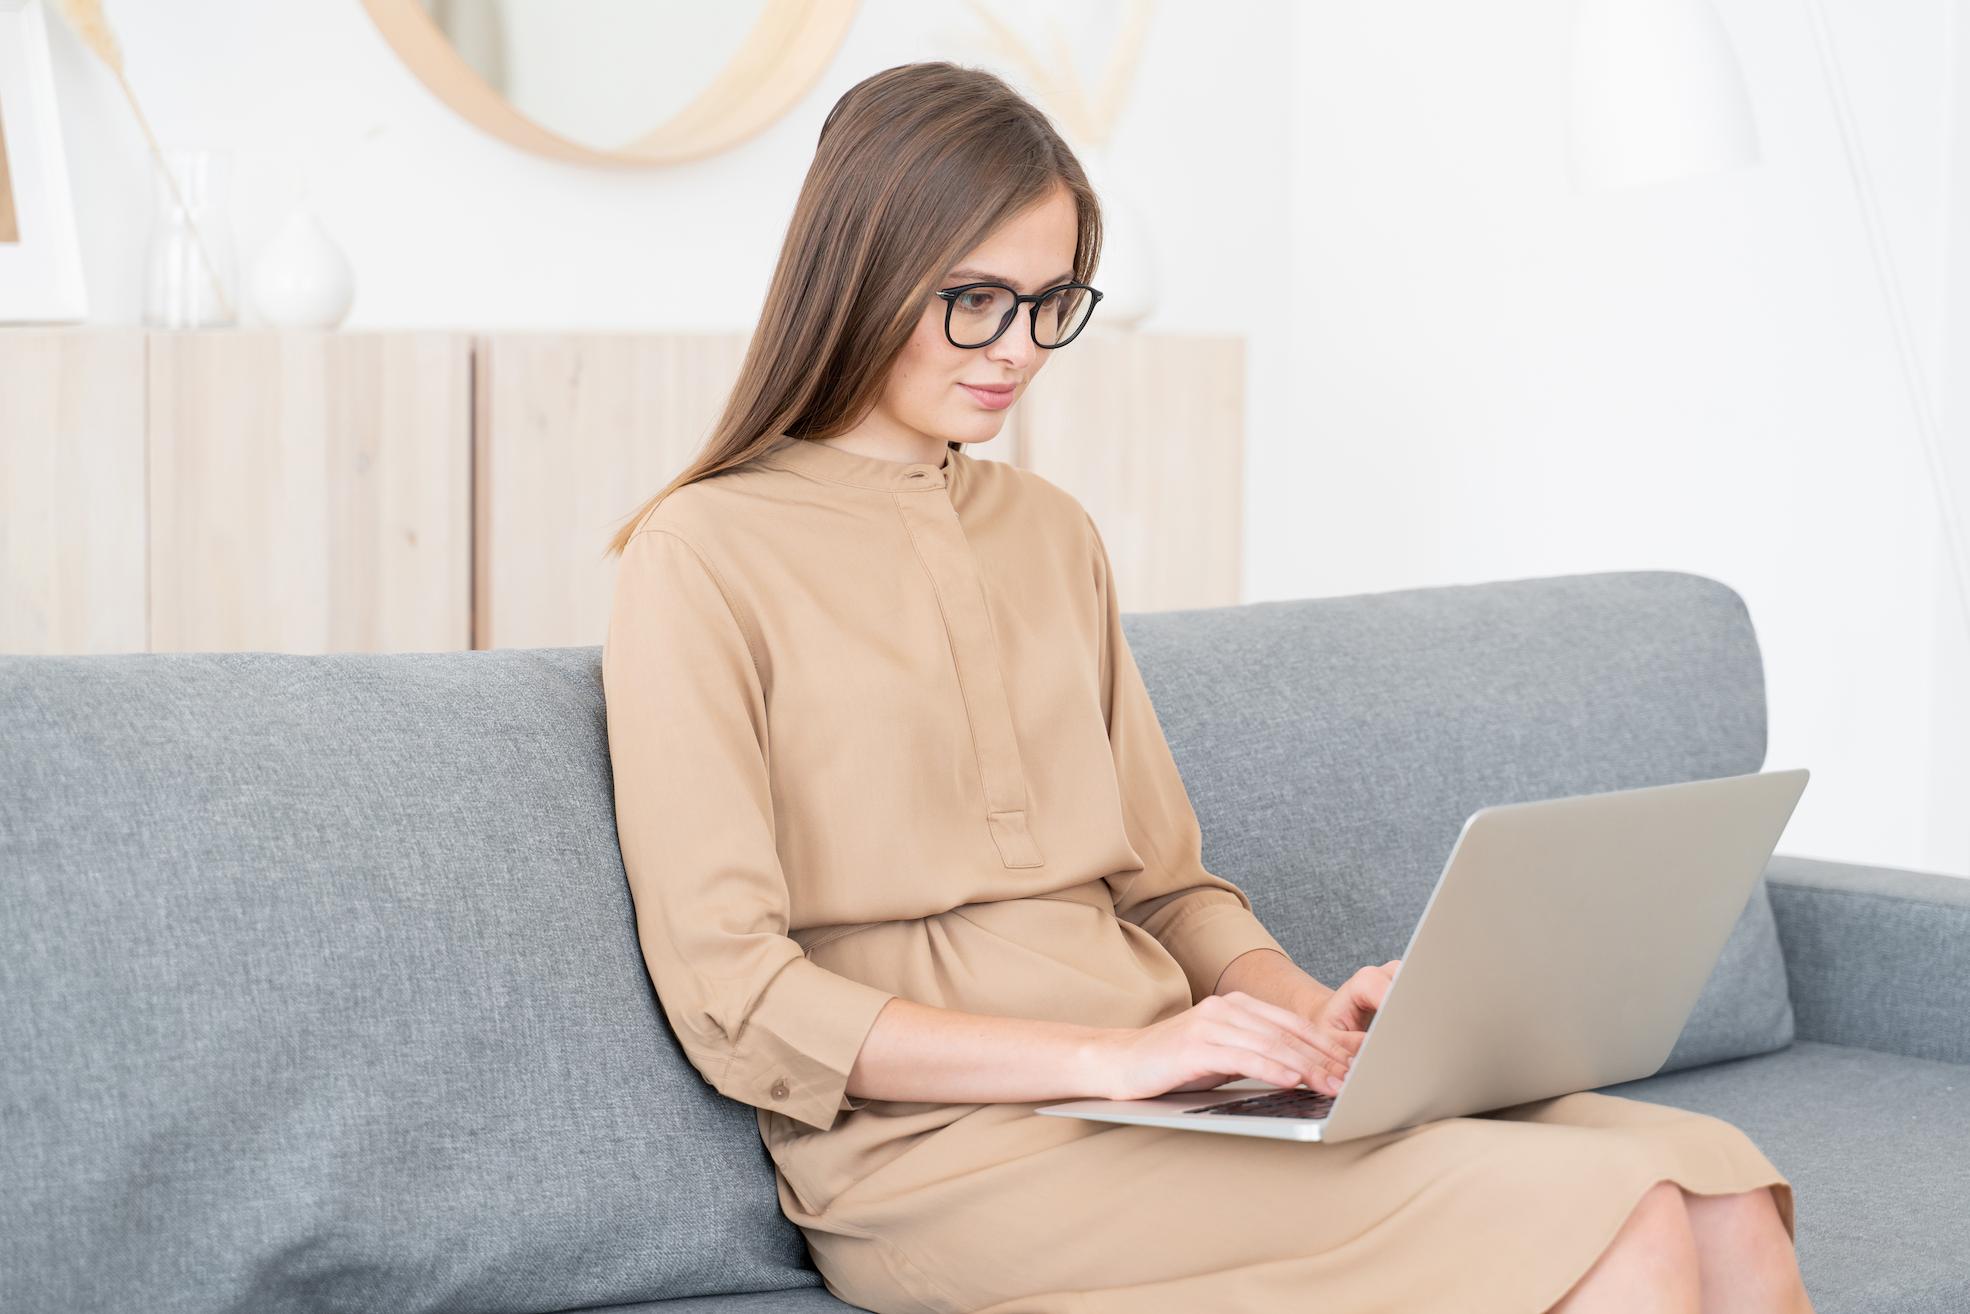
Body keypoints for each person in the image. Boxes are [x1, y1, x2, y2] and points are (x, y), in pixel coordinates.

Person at [600, 60, 1808, 1314]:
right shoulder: (698, 555)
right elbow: (734, 998)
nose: (1018, 350)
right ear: (858, 276)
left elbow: (1167, 890)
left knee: (1712, 1185)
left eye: (1050, 302)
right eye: (973, 302)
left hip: (1176, 1090)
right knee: (1620, 1225)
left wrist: (1308, 1017)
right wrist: (1114, 1060)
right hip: (944, 1152)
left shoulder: (1049, 532)